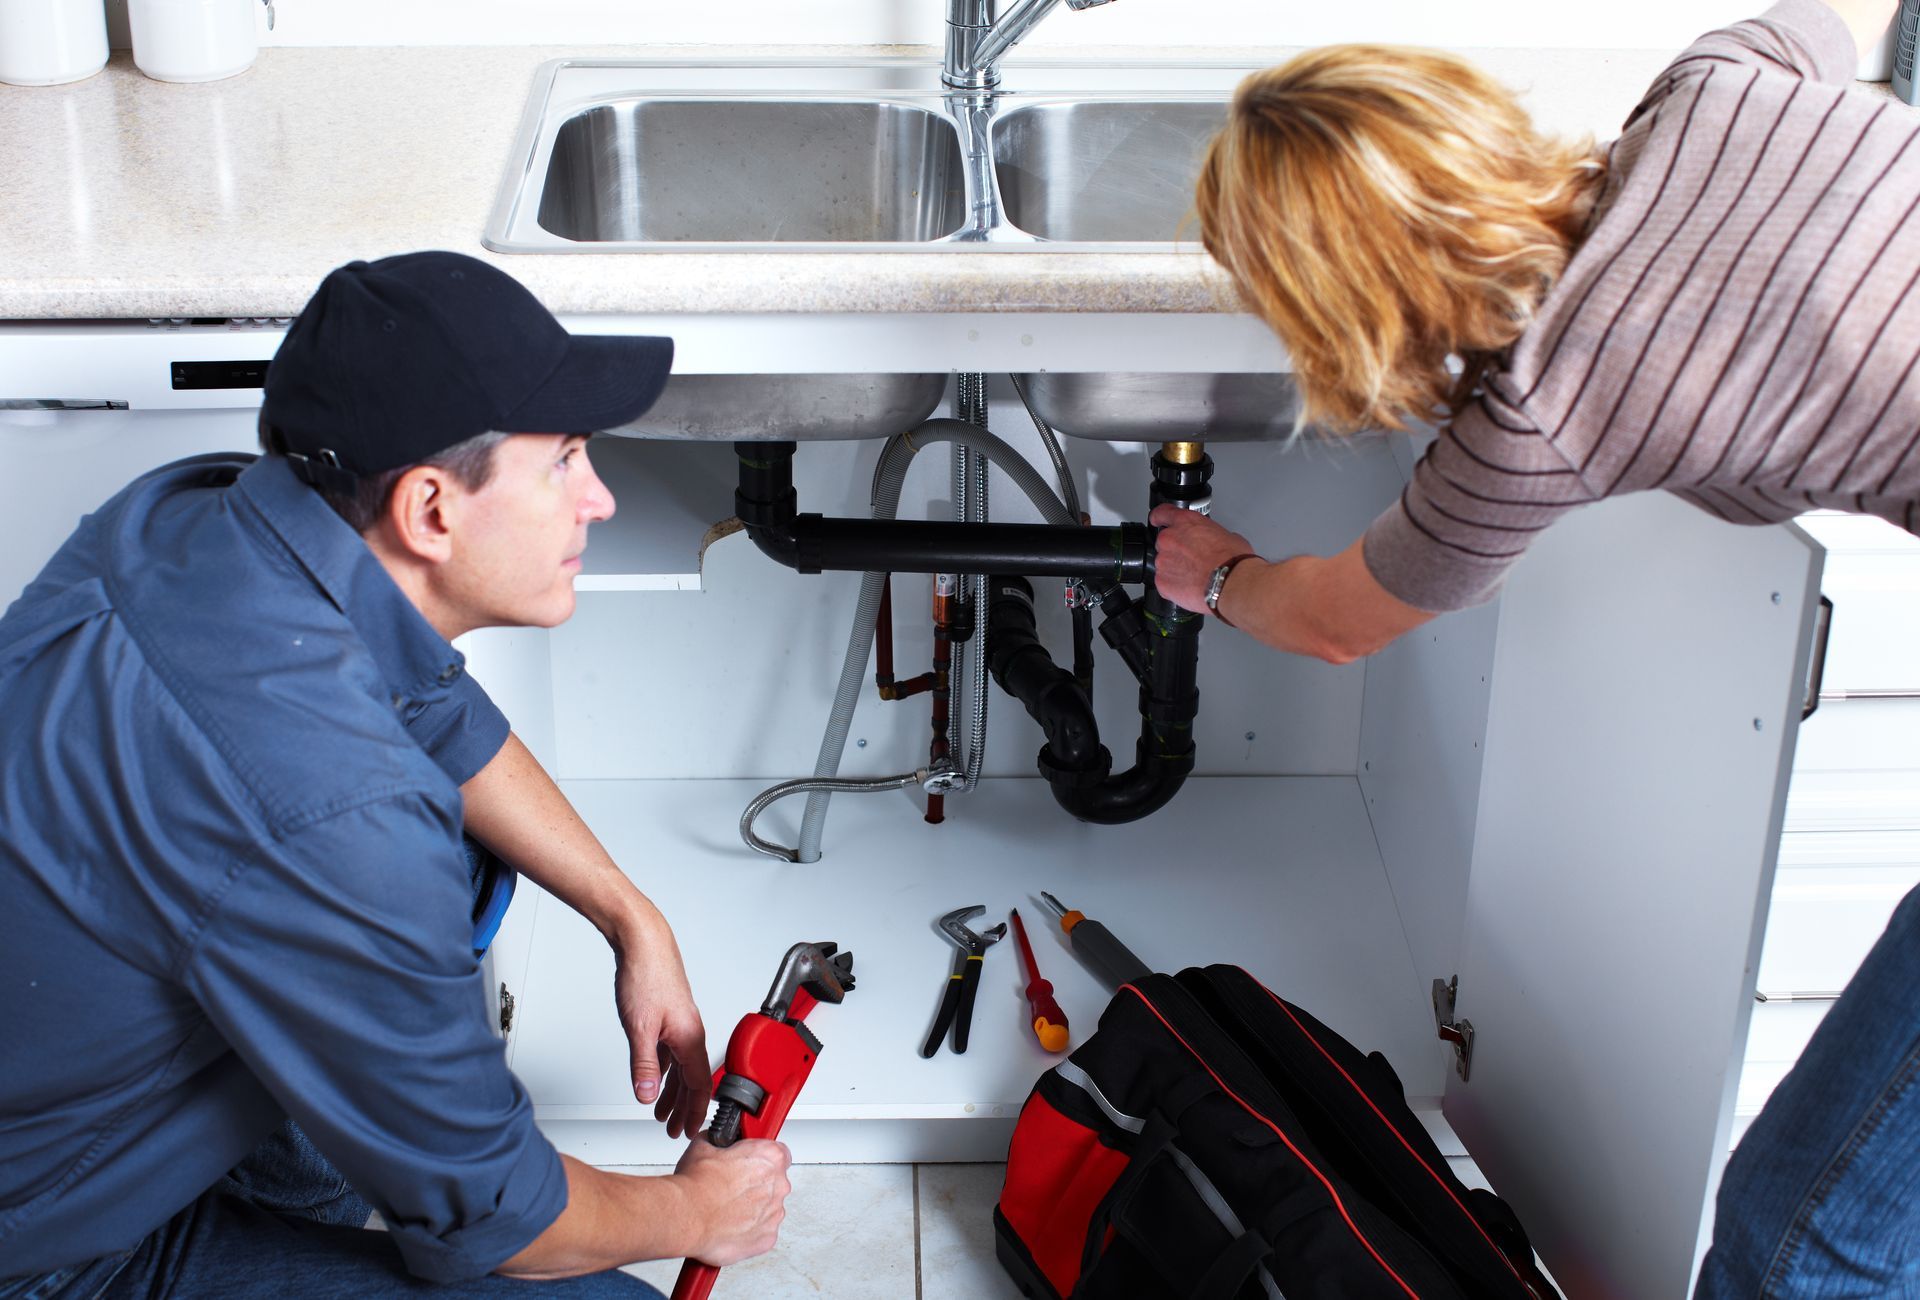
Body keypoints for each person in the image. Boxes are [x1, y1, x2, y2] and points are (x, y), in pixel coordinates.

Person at [1151, 0, 1920, 1292]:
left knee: (1800, 1245)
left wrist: (1219, 577)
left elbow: (1338, 620)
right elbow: (1831, 26)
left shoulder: (1545, 414)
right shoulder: (1714, 89)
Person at [0, 252, 792, 1297]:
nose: (596, 498)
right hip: (48, 1247)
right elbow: (506, 1220)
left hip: (77, 1087)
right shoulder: (334, 807)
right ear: (430, 511)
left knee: (442, 879)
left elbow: (434, 708)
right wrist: (698, 1209)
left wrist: (631, 918)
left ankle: (295, 1202)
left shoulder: (199, 519)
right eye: (562, 462)